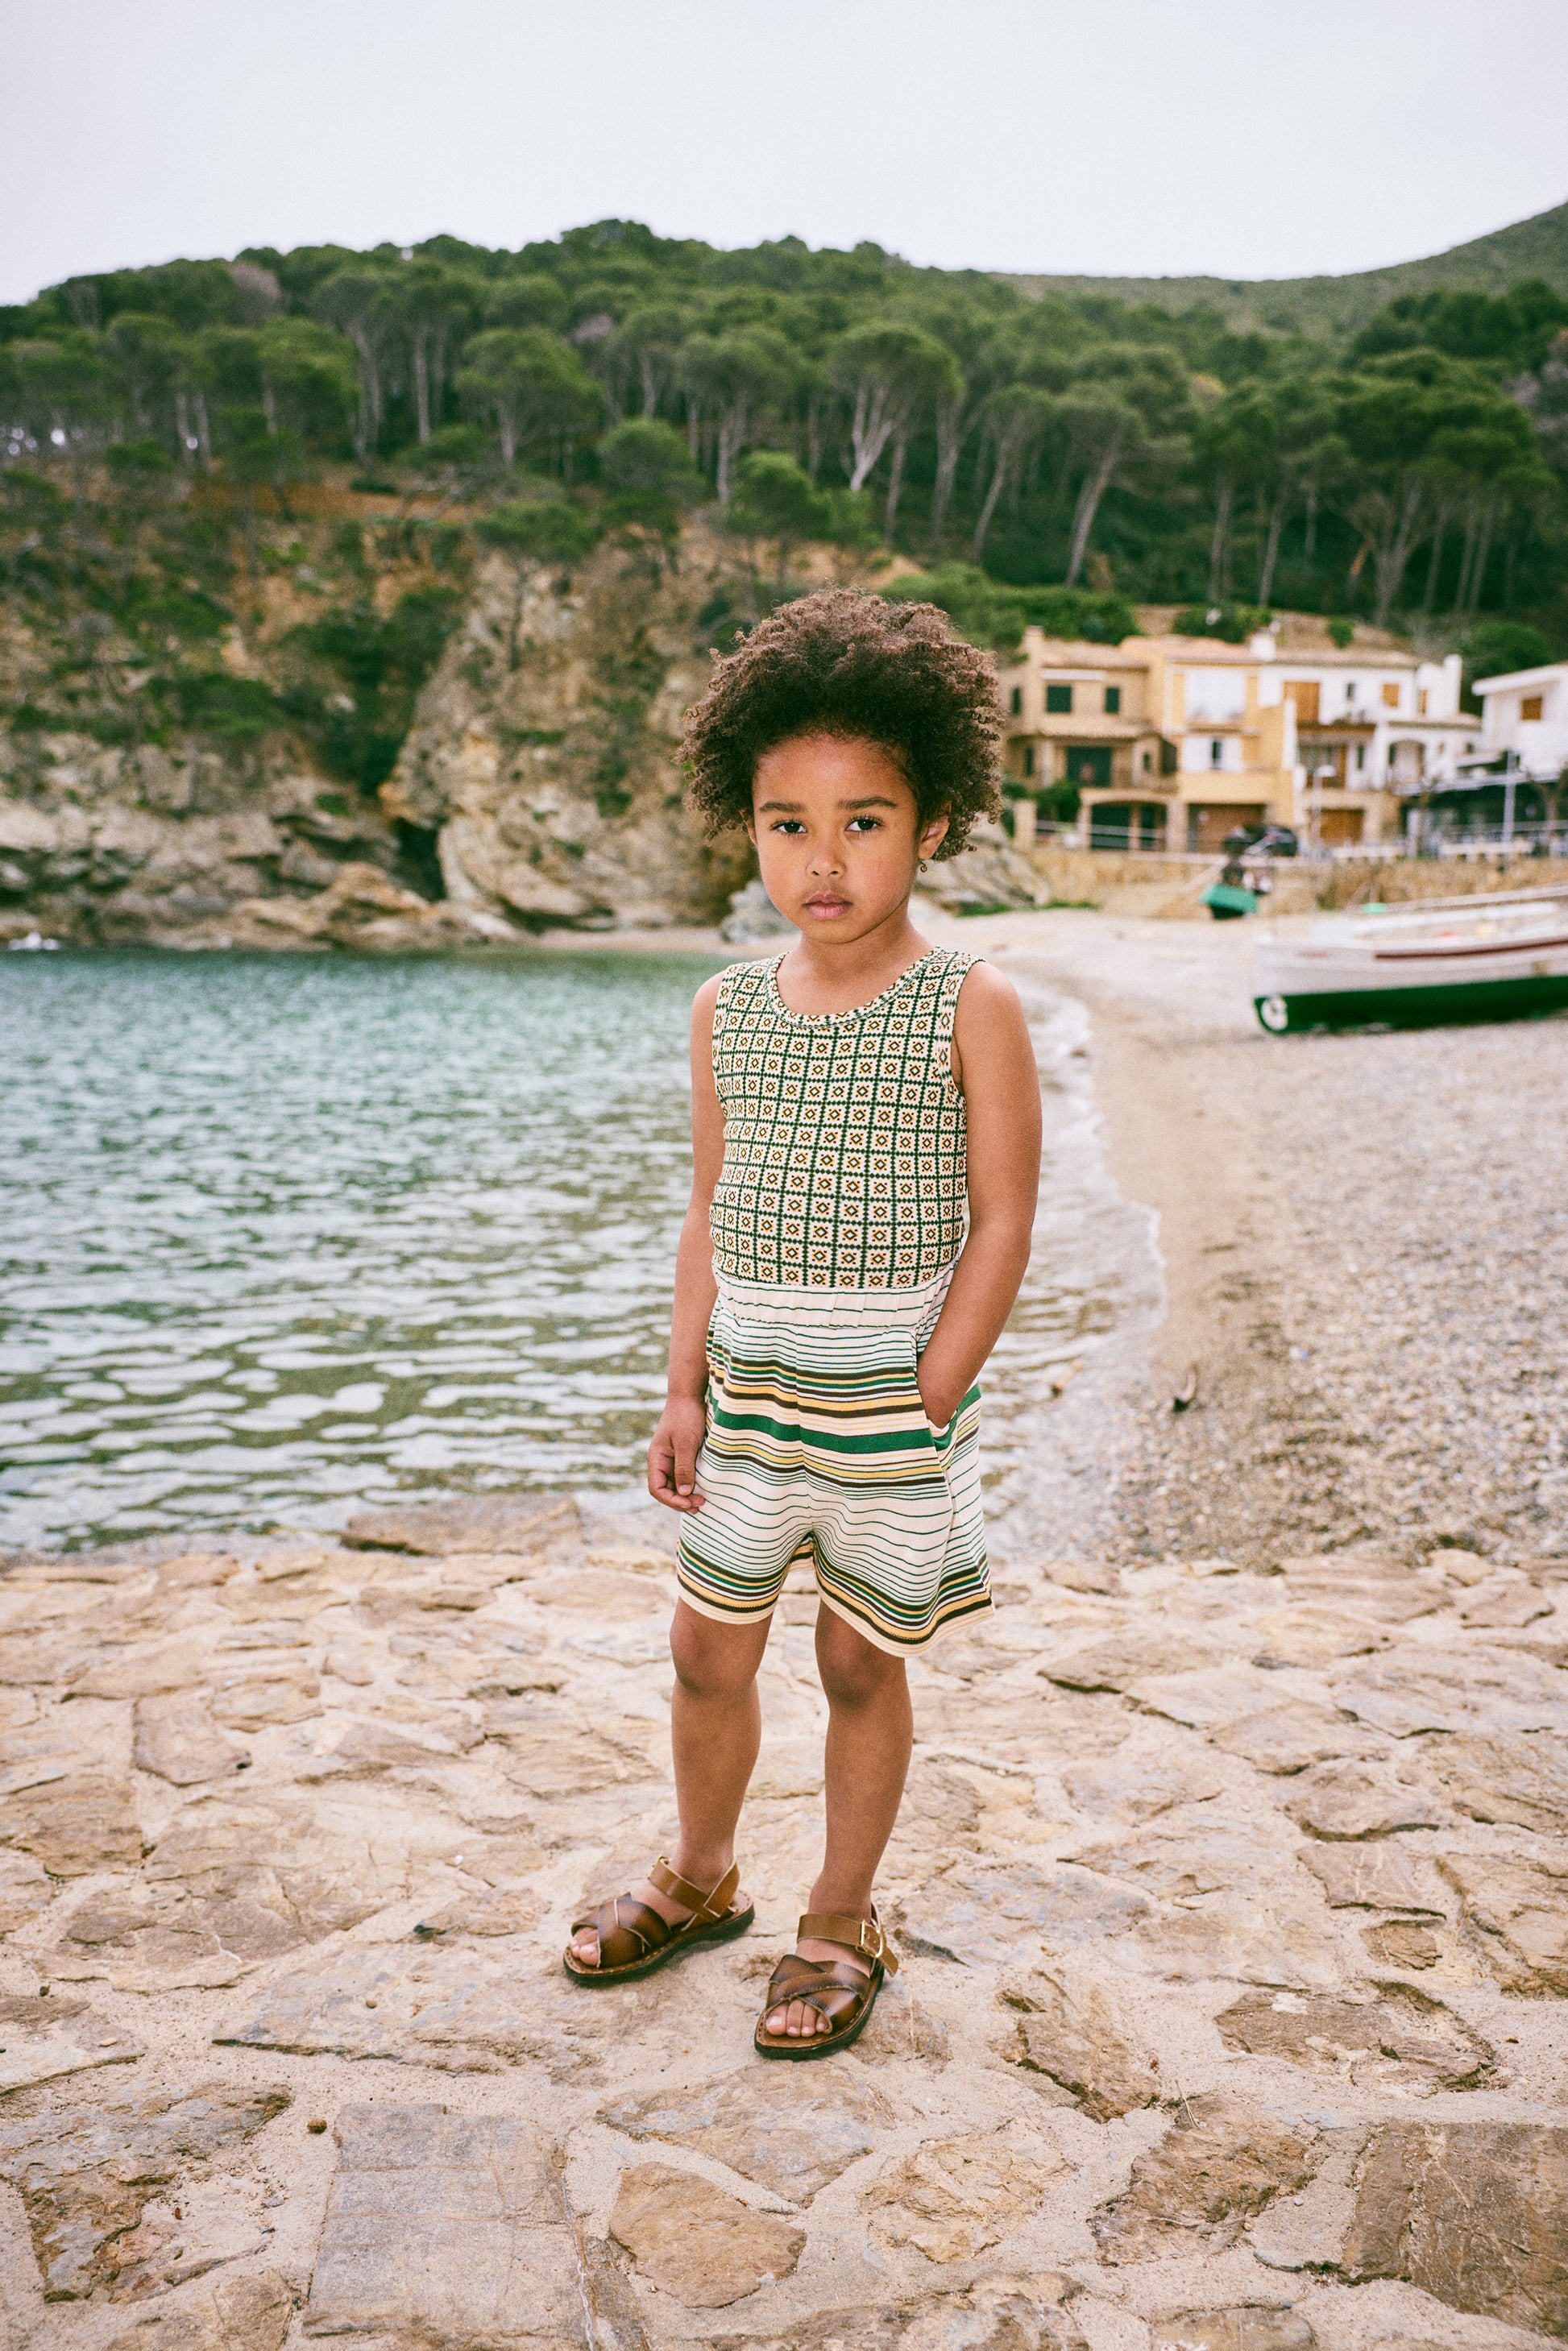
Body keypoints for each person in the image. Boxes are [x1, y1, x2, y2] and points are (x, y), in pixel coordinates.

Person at [563, 589, 1042, 2058]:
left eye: (862, 821)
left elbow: (1002, 1217)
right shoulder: (726, 1006)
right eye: (788, 824)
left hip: (891, 1402)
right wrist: (681, 1389)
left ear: (933, 822)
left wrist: (932, 1387)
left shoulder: (968, 1000)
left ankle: (839, 1913)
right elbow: (710, 1207)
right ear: (748, 826)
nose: (821, 861)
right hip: (751, 1398)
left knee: (854, 1661)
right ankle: (703, 1872)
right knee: (704, 1650)